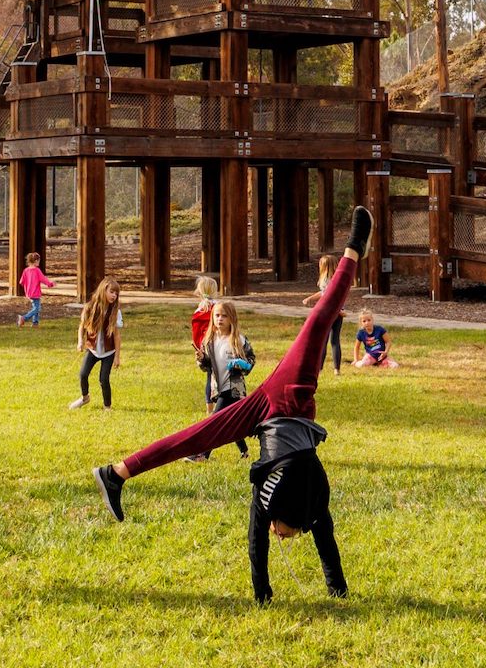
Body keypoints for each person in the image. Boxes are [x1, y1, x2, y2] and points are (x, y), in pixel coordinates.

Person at [91, 207, 373, 604]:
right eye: (283, 533)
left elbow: (278, 535)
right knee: (321, 318)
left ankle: (117, 473)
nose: (278, 535)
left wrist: (275, 593)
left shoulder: (303, 507)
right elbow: (291, 533)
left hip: (266, 412)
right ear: (290, 519)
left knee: (196, 437)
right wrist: (329, 587)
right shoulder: (303, 503)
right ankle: (355, 248)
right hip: (288, 395)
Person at [195, 299, 256, 459]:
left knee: (214, 421)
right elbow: (205, 367)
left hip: (233, 389)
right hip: (218, 387)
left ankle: (203, 454)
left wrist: (242, 364)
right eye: (217, 315)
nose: (220, 319)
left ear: (232, 319)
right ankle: (245, 452)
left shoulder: (239, 340)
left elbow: (251, 360)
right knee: (233, 423)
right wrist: (202, 359)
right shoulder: (209, 341)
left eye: (224, 316)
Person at [70, 277, 122, 410]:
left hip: (108, 352)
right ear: (103, 290)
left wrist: (117, 356)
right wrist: (80, 341)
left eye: (116, 294)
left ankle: (107, 407)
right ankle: (85, 397)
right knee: (83, 374)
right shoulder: (90, 307)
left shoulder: (115, 312)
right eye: (112, 292)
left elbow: (116, 335)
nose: (114, 296)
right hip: (92, 350)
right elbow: (82, 326)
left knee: (104, 379)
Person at [301, 255, 344, 376]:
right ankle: (337, 369)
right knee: (335, 340)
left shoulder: (325, 280)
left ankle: (319, 368)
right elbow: (327, 294)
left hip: (328, 313)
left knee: (323, 340)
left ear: (324, 266)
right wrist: (310, 298)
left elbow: (327, 297)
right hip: (337, 312)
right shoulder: (337, 280)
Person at [190, 275, 218, 416]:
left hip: (204, 350)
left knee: (209, 377)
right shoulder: (218, 309)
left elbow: (195, 334)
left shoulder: (198, 312)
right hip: (219, 347)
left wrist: (198, 349)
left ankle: (209, 409)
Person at [17, 252, 55, 329]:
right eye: (38, 261)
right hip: (35, 292)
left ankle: (35, 323)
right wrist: (50, 284)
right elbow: (43, 279)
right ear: (35, 261)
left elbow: (21, 282)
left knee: (35, 307)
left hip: (28, 292)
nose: (39, 263)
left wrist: (27, 285)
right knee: (37, 308)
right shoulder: (37, 270)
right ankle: (24, 318)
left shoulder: (26, 270)